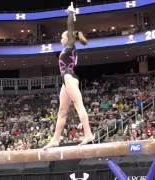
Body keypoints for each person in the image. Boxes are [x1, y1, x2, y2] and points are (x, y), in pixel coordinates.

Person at [43, 3, 94, 149]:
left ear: (68, 38)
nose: (60, 39)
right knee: (62, 111)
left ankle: (88, 134)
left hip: (70, 77)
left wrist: (71, 14)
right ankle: (55, 140)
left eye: (61, 37)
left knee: (79, 105)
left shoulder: (70, 45)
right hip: (65, 81)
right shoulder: (67, 49)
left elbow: (70, 26)